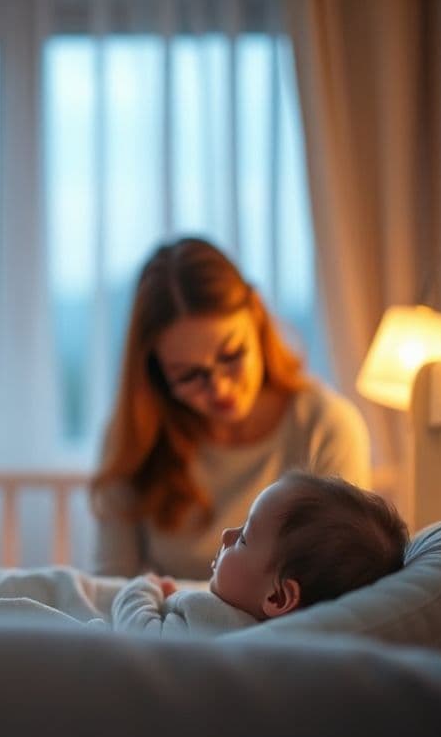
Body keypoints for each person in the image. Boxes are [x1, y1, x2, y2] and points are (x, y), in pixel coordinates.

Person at [91, 237, 371, 580]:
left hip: (286, 632)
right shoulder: (135, 437)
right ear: (157, 375)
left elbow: (343, 588)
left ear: (256, 316)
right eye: (189, 375)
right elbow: (110, 584)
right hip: (170, 631)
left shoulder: (325, 425)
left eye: (231, 355)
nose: (220, 387)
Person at [112, 471, 407, 636]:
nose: (227, 534)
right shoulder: (245, 621)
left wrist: (141, 590)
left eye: (243, 538)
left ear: (277, 597)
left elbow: (139, 639)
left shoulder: (215, 620)